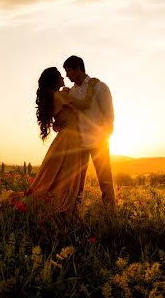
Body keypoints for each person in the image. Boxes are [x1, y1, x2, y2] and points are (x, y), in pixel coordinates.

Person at [26, 67, 98, 214]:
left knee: (58, 176)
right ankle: (64, 208)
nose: (64, 78)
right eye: (60, 75)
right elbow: (85, 104)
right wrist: (91, 86)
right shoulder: (60, 96)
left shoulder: (55, 96)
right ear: (54, 79)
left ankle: (62, 207)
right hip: (72, 140)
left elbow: (57, 126)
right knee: (68, 176)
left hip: (64, 138)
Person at [63, 55, 115, 207]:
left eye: (69, 71)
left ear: (78, 69)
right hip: (79, 144)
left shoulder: (100, 87)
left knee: (105, 182)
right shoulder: (71, 92)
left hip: (99, 143)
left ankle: (110, 215)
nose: (67, 75)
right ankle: (75, 214)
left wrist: (105, 138)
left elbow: (109, 115)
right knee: (77, 184)